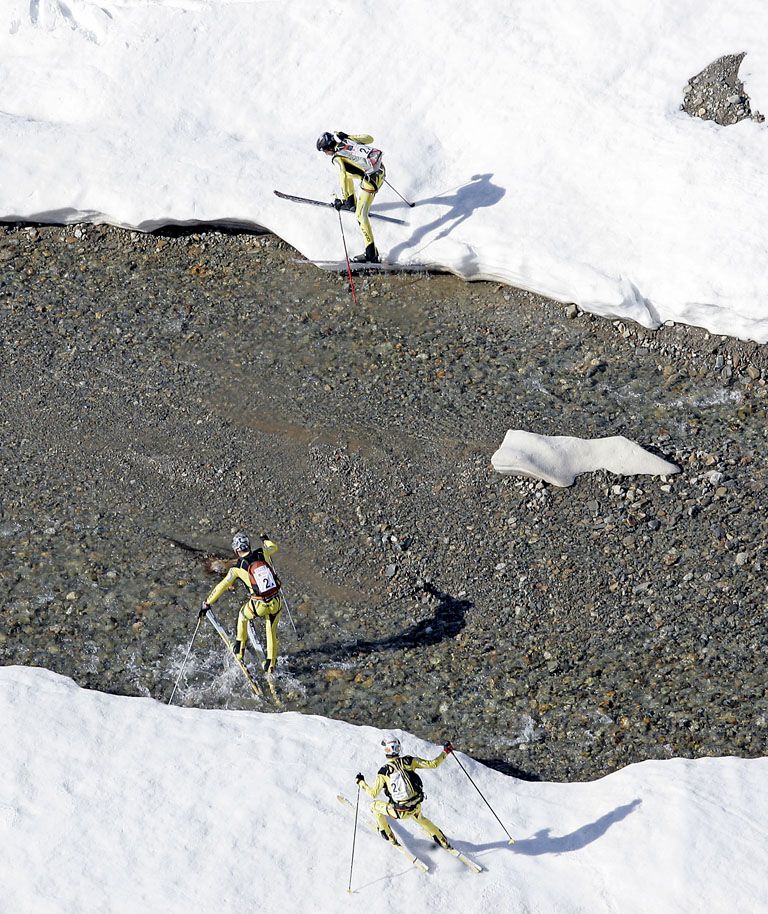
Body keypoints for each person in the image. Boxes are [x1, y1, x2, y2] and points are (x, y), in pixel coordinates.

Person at [199, 532, 281, 673]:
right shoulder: (263, 553)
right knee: (271, 631)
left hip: (258, 606)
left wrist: (207, 602)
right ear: (248, 545)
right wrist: (265, 539)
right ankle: (270, 663)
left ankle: (239, 649)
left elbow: (222, 586)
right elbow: (273, 547)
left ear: (236, 550)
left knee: (242, 616)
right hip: (276, 602)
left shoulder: (237, 567)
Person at [355, 736, 456, 849]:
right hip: (415, 806)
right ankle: (442, 839)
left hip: (399, 811)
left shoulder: (383, 772)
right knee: (421, 819)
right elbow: (434, 764)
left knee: (374, 806)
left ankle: (388, 834)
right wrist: (446, 751)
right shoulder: (409, 761)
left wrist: (361, 782)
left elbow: (373, 794)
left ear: (386, 750)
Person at [316, 130, 386, 264]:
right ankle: (350, 202)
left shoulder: (337, 157)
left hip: (371, 183)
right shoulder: (346, 141)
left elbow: (342, 175)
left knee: (361, 216)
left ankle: (371, 254)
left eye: (324, 151)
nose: (325, 154)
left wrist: (341, 198)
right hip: (381, 170)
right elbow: (370, 138)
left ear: (328, 148)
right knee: (349, 173)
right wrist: (348, 136)